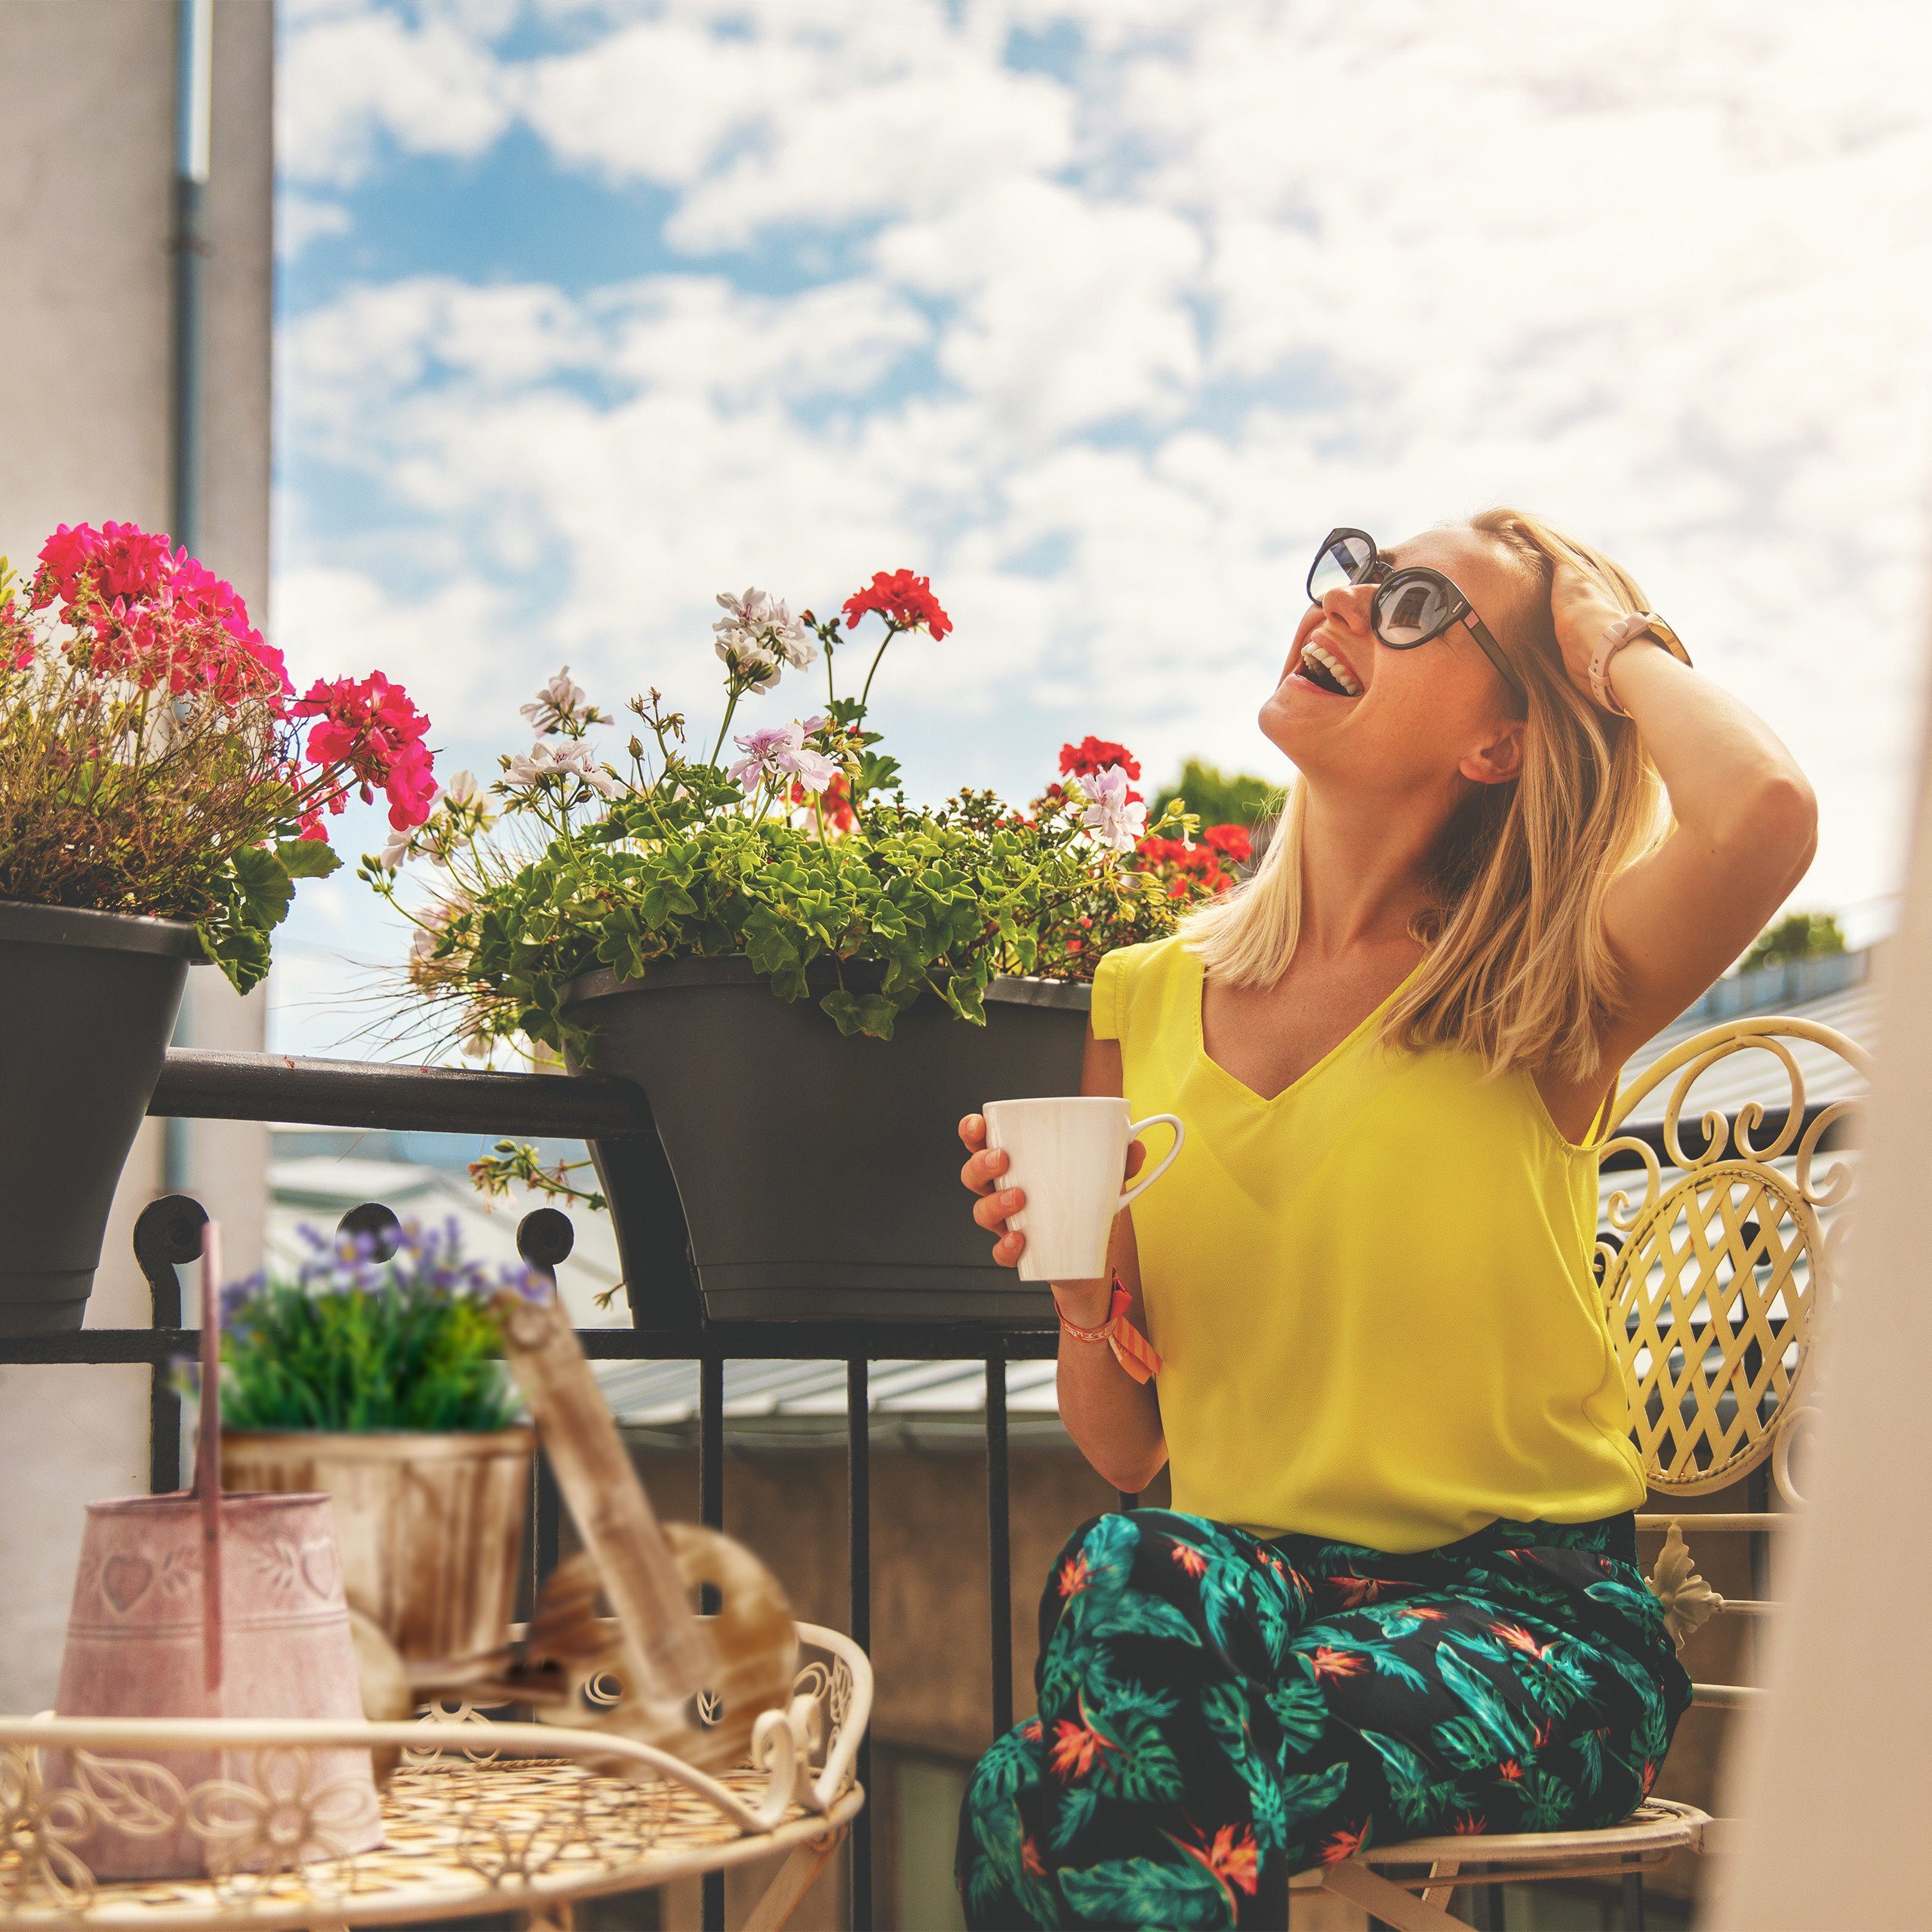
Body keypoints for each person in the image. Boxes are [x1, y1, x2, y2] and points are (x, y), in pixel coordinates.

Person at [952, 511, 1816, 1928]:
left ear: (1502, 742)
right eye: (1358, 569)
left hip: (1531, 1629)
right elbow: (1125, 1448)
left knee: (1038, 1797)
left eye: (1418, 603)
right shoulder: (1144, 996)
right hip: (1237, 1605)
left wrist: (1601, 639)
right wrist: (1078, 1294)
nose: (1349, 600)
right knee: (1133, 1569)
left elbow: (1766, 812)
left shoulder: (1550, 978)